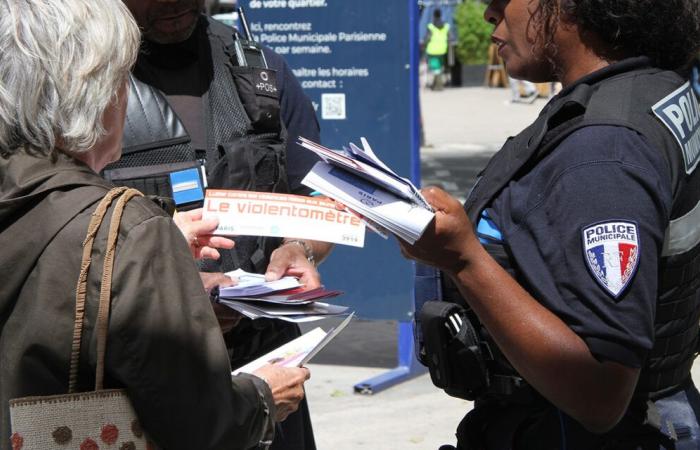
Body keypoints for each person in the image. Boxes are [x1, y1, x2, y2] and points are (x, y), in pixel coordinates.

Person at [0, 1, 311, 448]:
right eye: (123, 82)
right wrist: (265, 395)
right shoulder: (131, 229)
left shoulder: (24, 191)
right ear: (98, 92)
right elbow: (201, 425)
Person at [401, 0, 700, 449]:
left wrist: (462, 259)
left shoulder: (604, 149)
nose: (489, 15)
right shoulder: (652, 90)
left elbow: (600, 393)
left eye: (501, 3)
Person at [113, 2, 332, 448]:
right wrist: (178, 297)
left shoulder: (259, 71)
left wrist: (300, 249)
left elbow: (317, 198)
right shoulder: (81, 79)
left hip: (262, 358)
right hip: (142, 371)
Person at [424, 8, 451, 91]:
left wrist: (425, 42)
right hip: (442, 50)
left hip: (432, 50)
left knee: (435, 68)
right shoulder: (446, 26)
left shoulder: (431, 26)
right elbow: (450, 37)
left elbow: (427, 38)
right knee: (439, 67)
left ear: (433, 15)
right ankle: (436, 85)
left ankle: (438, 86)